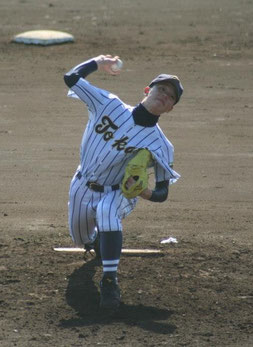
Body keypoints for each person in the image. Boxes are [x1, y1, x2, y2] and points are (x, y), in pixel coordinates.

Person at [63, 54, 183, 312]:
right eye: (161, 89)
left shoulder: (162, 145)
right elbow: (71, 78)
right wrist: (97, 62)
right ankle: (97, 242)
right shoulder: (109, 105)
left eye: (170, 96)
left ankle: (110, 281)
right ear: (147, 90)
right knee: (79, 236)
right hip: (83, 184)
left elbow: (163, 192)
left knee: (107, 211)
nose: (164, 95)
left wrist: (144, 191)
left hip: (120, 192)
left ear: (170, 108)